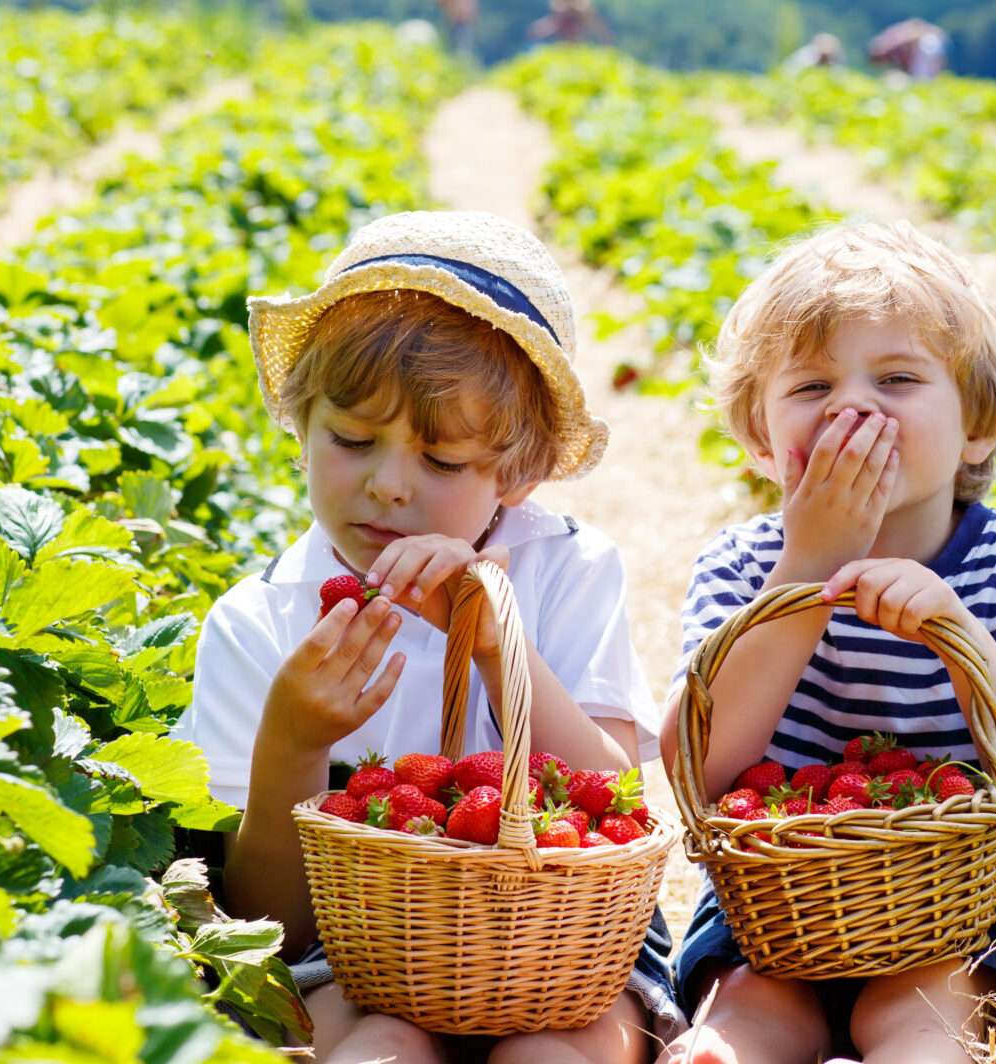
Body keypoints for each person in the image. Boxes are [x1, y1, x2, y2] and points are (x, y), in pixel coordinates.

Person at [176, 210, 682, 1062]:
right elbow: (275, 925)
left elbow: (616, 810)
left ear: (516, 475)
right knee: (380, 1048)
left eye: (442, 463)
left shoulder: (566, 571)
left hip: (569, 952)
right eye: (351, 440)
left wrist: (495, 645)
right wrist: (295, 740)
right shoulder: (260, 622)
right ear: (301, 428)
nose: (386, 486)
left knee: (548, 1055)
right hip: (350, 957)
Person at [656, 221, 996, 1064]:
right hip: (780, 897)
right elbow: (695, 767)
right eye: (810, 386)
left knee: (924, 1008)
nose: (852, 406)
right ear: (760, 440)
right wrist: (809, 565)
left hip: (968, 904)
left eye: (897, 378)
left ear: (978, 428)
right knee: (750, 1006)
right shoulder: (746, 567)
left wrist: (961, 635)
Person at [867, 18, 948, 80]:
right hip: (933, 40)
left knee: (921, 80)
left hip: (925, 43)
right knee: (928, 78)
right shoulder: (889, 38)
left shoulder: (889, 46)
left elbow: (906, 59)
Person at [528, 0, 612, 45]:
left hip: (579, 45)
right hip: (561, 46)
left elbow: (595, 25)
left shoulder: (584, 8)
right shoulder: (559, 8)